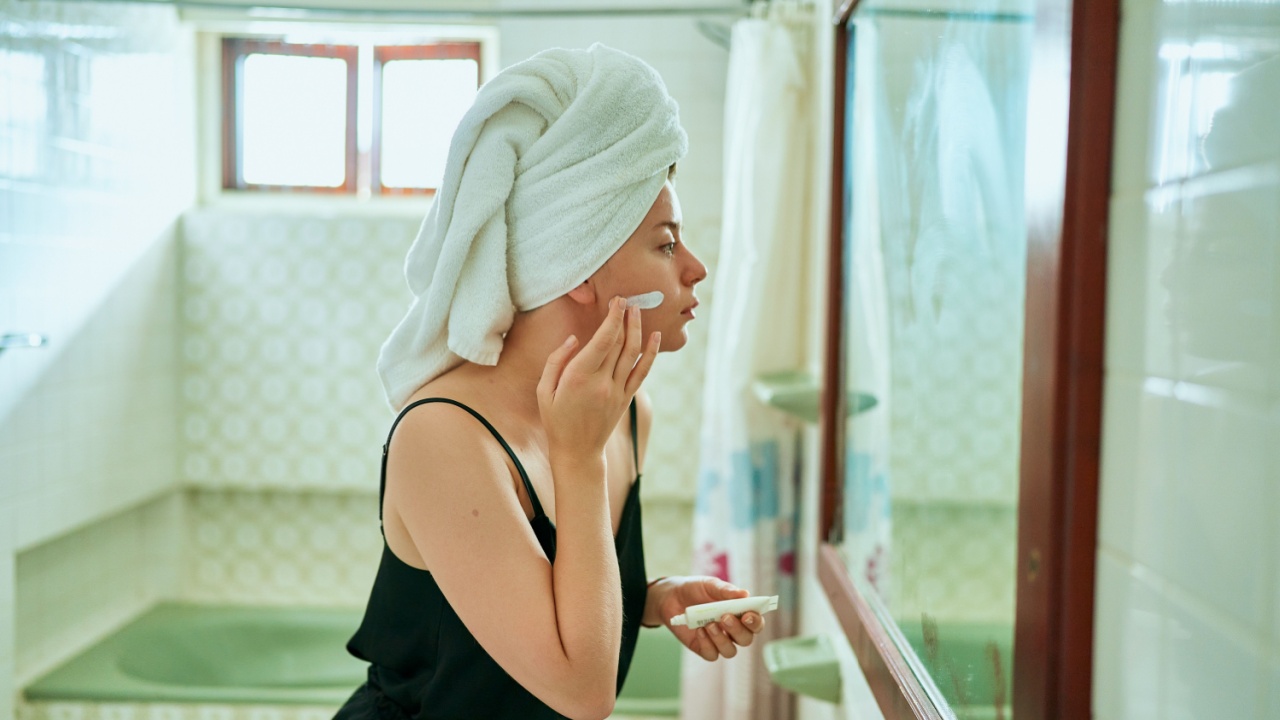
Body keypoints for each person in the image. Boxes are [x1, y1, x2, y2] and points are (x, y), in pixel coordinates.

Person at [334, 44, 767, 720]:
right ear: (581, 267)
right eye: (666, 243)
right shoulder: (444, 437)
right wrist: (578, 456)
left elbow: (553, 603)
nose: (695, 270)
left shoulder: (626, 415)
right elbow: (582, 693)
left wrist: (652, 597)